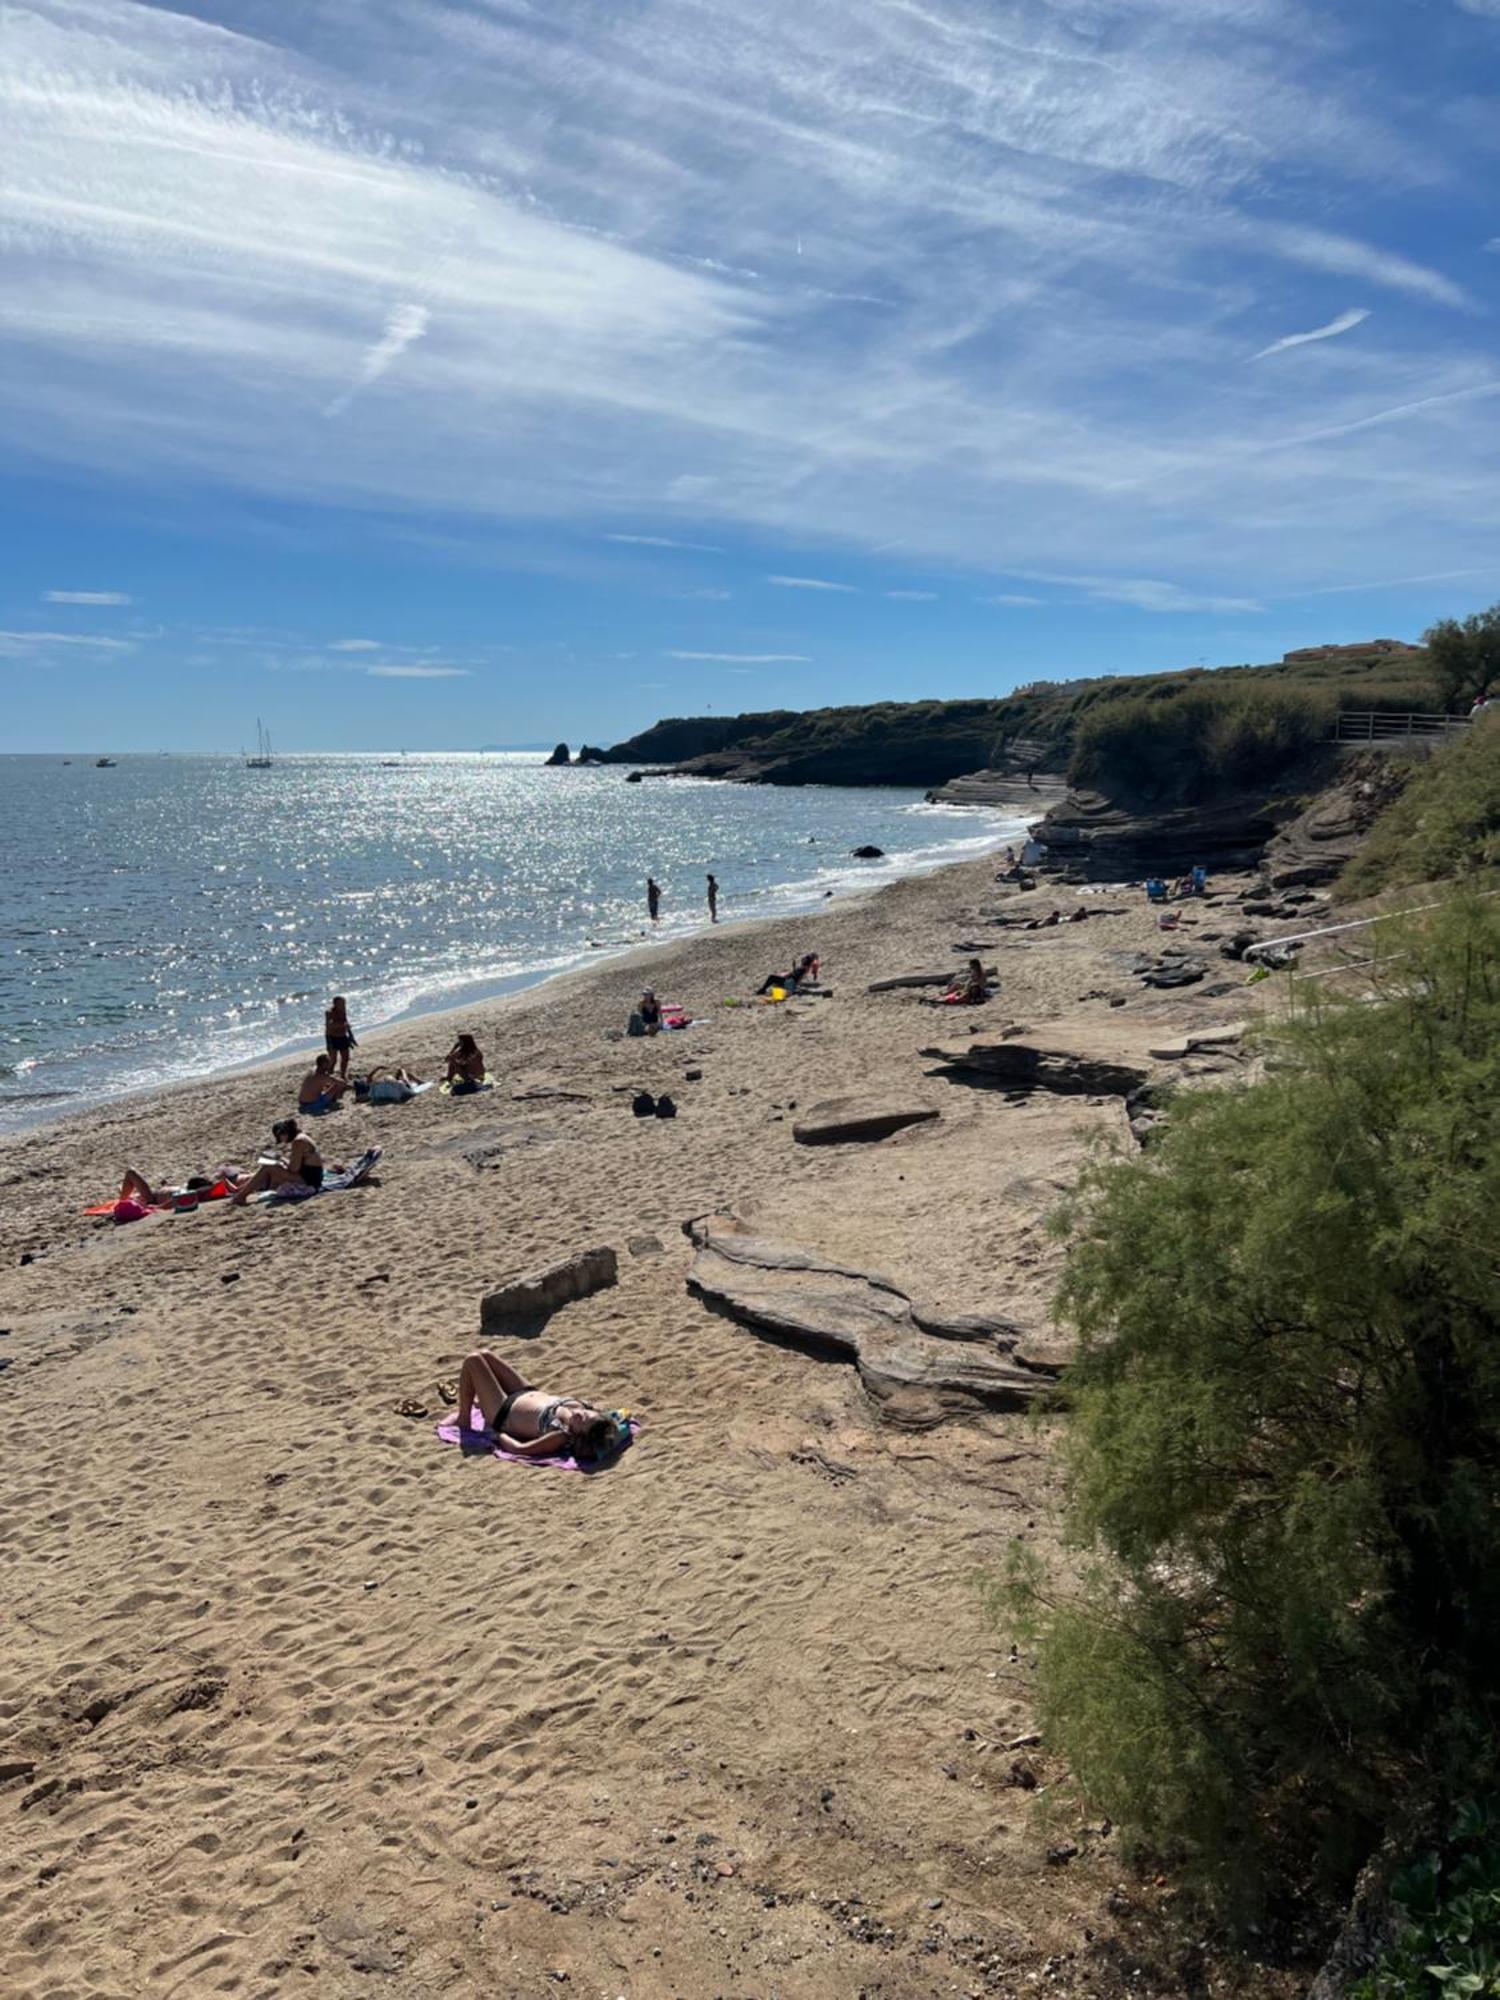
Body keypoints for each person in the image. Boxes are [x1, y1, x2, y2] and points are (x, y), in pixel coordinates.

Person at [450, 1351, 622, 1460]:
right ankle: (482, 1396)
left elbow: (521, 1449)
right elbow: (618, 1418)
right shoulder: (584, 1409)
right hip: (524, 1392)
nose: (581, 1415)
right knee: (486, 1355)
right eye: (587, 1415)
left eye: (582, 1422)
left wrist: (498, 1436)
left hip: (502, 1411)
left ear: (578, 1436)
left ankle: (463, 1419)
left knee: (473, 1360)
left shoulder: (560, 1434)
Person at [228, 1120, 322, 1204]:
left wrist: (282, 1159)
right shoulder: (302, 1138)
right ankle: (241, 1191)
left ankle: (240, 1196)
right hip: (309, 1178)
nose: (283, 1141)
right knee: (271, 1167)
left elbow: (294, 1169)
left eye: (281, 1138)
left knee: (268, 1168)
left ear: (283, 1134)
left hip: (308, 1182)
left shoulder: (298, 1141)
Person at [324, 996, 356, 1079]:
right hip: (332, 1038)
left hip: (343, 1036)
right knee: (333, 1060)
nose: (343, 1005)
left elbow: (346, 1022)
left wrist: (351, 1036)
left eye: (344, 1003)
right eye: (341, 1003)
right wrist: (342, 1025)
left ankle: (343, 1075)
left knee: (345, 1058)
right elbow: (329, 1026)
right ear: (335, 1004)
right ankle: (328, 1076)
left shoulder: (343, 1010)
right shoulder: (329, 1012)